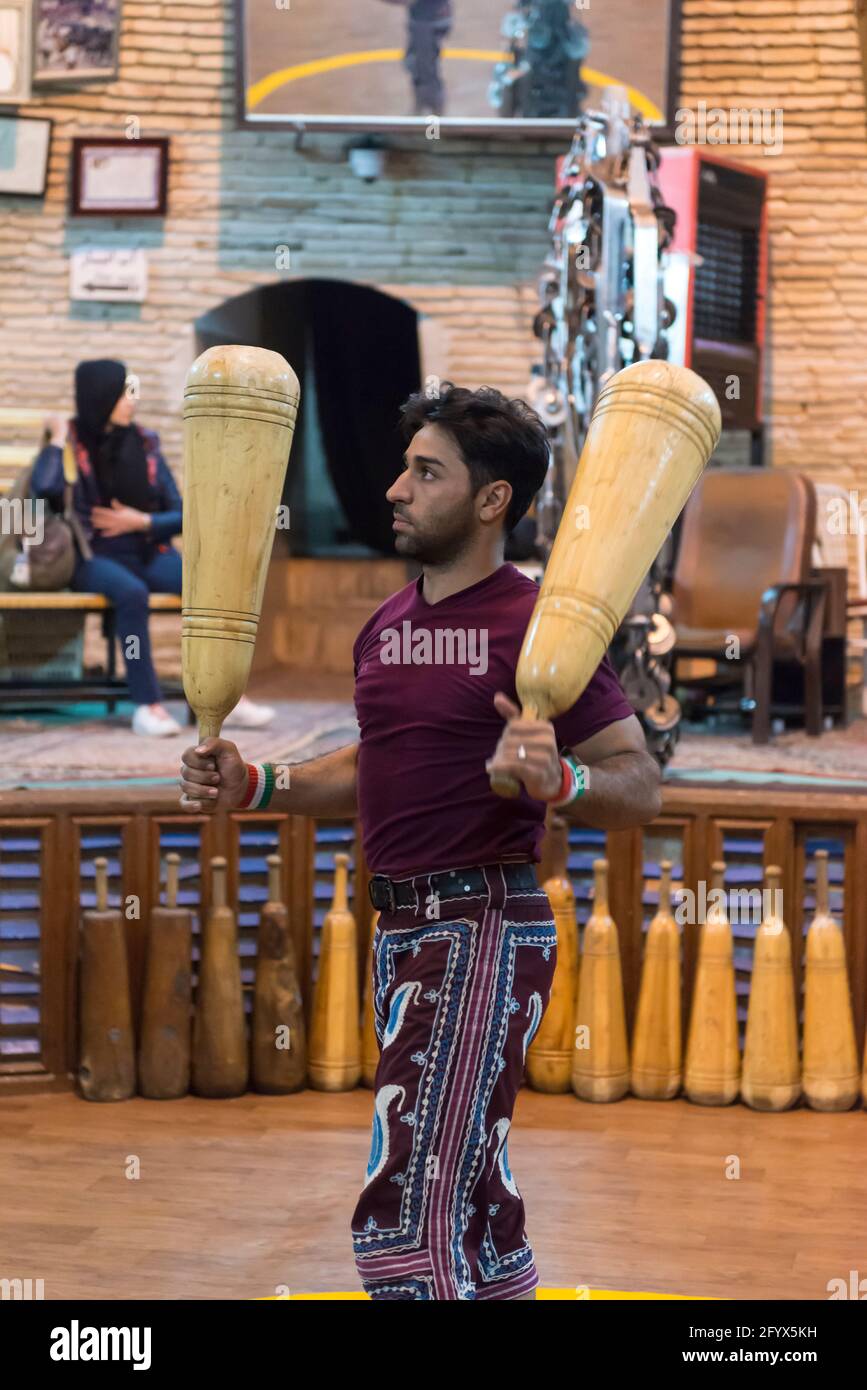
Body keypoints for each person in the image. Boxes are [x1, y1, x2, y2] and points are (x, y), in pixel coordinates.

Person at [178, 383, 662, 1300]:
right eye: (404, 467)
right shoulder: (385, 627)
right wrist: (255, 783)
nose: (396, 488)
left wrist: (562, 779)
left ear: (492, 502)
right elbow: (377, 763)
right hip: (401, 930)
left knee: (409, 1201)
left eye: (425, 471)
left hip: (482, 926)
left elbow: (638, 781)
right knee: (472, 1193)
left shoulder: (539, 628)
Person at [32, 359, 274, 736]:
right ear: (100, 397)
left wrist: (141, 522)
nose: (133, 401)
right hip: (94, 558)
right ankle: (147, 704)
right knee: (132, 594)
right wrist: (57, 437)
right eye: (124, 393)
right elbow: (43, 490)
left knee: (208, 588)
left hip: (148, 551)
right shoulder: (72, 444)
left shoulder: (145, 444)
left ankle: (227, 698)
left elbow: (183, 513)